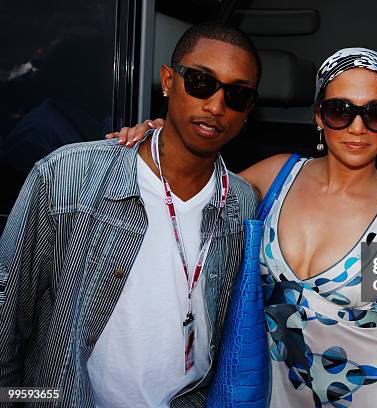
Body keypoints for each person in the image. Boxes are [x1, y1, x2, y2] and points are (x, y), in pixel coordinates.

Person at [110, 47, 377, 407]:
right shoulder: (275, 177)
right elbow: (187, 200)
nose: (357, 127)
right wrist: (162, 139)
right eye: (340, 111)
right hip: (271, 396)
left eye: (375, 113)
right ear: (318, 115)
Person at [0, 22, 260, 407]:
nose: (216, 106)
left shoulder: (243, 203)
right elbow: (7, 322)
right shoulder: (66, 177)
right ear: (168, 81)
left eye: (237, 94)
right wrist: (27, 400)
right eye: (201, 83)